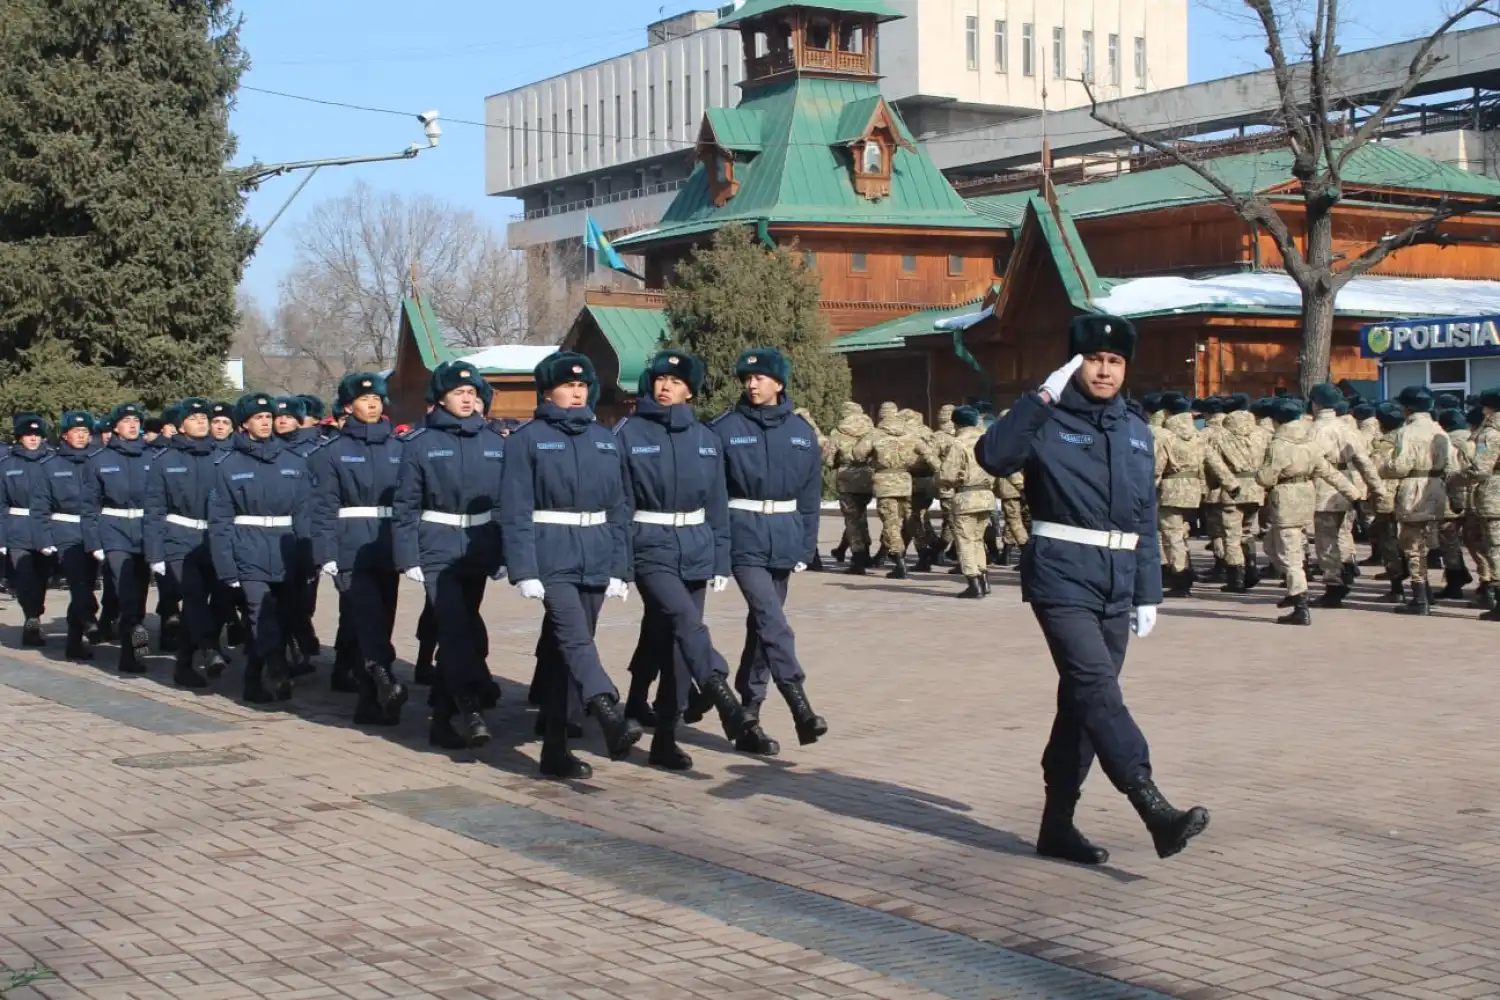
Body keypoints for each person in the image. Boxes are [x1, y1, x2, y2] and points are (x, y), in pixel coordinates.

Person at [975, 314, 1208, 864]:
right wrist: (1039, 399)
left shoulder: (1134, 428)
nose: (1104, 371)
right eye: (1093, 360)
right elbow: (994, 457)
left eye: (1114, 362)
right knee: (1099, 690)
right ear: (1074, 363)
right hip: (1061, 574)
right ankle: (1152, 804)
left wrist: (1149, 588)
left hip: (1119, 579)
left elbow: (1145, 514)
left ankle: (1057, 825)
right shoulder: (1046, 420)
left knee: (1082, 706)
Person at [502, 353, 640, 778]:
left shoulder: (604, 439)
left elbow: (619, 506)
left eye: (582, 385)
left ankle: (556, 746)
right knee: (576, 639)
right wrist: (523, 569)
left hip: (596, 551)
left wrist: (621, 567)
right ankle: (606, 708)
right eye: (568, 385)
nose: (577, 390)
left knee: (569, 652)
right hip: (552, 553)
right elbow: (515, 508)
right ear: (547, 392)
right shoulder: (528, 439)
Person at [614, 350, 752, 771]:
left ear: (690, 390)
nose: (664, 386)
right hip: (649, 544)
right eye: (659, 380)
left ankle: (667, 739)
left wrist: (721, 560)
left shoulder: (707, 439)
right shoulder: (628, 433)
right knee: (686, 622)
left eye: (674, 382)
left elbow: (717, 504)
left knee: (676, 647)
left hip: (695, 544)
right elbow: (618, 503)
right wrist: (620, 565)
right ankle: (718, 688)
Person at [710, 347, 826, 754]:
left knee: (762, 629)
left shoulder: (801, 432)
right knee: (773, 620)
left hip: (784, 536)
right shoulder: (724, 429)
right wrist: (718, 548)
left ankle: (749, 715)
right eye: (747, 378)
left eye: (760, 378)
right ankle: (799, 704)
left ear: (779, 383)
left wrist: (807, 544)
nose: (751, 383)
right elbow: (715, 494)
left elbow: (811, 495)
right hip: (744, 537)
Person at [394, 363, 507, 750]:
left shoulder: (495, 443)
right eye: (459, 393)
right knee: (456, 627)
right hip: (437, 546)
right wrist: (408, 555)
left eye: (472, 393)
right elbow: (406, 505)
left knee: (463, 628)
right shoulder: (421, 444)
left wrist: (504, 550)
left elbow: (505, 503)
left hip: (477, 546)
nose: (466, 398)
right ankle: (469, 704)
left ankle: (441, 720)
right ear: (441, 398)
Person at [311, 373, 408, 726]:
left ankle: (370, 700)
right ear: (348, 406)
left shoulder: (401, 448)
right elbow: (322, 507)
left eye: (377, 399)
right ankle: (384, 676)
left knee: (382, 621)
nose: (372, 404)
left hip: (388, 544)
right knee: (365, 617)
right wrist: (326, 553)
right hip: (351, 546)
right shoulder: (331, 453)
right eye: (364, 400)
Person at [207, 393, 312, 703]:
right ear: (244, 424)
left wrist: (308, 557)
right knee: (259, 613)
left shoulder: (294, 462)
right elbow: (220, 520)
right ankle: (277, 667)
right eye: (258, 417)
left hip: (285, 548)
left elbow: (304, 513)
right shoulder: (228, 465)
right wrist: (226, 566)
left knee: (281, 616)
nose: (266, 422)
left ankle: (252, 679)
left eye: (268, 417)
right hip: (248, 548)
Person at [144, 398, 228, 688]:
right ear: (180, 426)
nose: (202, 422)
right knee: (192, 597)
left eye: (204, 417)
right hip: (178, 538)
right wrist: (155, 552)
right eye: (194, 418)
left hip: (215, 538)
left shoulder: (223, 456)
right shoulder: (164, 461)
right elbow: (154, 510)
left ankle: (183, 664)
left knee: (220, 601)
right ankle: (209, 647)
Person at [1256, 398, 1360, 625]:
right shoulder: (1309, 443)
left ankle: (1300, 603)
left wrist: (1259, 473)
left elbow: (1266, 478)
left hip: (1285, 498)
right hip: (1305, 495)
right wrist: (1354, 494)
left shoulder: (1278, 445)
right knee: (1273, 545)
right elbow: (1329, 472)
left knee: (1289, 552)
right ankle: (1295, 589)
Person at [82, 402, 154, 674]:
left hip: (145, 528)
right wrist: (93, 542)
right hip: (114, 530)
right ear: (115, 427)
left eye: (136, 420)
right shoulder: (99, 460)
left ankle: (136, 632)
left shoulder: (152, 458)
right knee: (125, 589)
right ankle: (130, 649)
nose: (133, 425)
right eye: (127, 421)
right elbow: (89, 506)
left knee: (140, 588)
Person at [1383, 386, 1456, 615]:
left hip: (1414, 486)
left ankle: (1419, 597)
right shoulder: (1439, 430)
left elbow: (1401, 465)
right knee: (1427, 540)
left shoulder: (1408, 431)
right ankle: (1426, 591)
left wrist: (1384, 468)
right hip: (1436, 487)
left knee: (1413, 544)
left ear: (1407, 408)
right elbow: (1453, 465)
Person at [36, 411, 99, 660]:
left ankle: (74, 641)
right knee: (77, 581)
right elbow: (40, 505)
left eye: (86, 432)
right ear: (65, 435)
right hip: (65, 528)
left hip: (94, 527)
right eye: (76, 431)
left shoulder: (97, 460)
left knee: (87, 581)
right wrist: (43, 537)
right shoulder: (50, 465)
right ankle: (90, 616)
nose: (82, 435)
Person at [1, 413, 53, 646]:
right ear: (20, 438)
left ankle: (35, 612)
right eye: (28, 435)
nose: (33, 439)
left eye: (37, 435)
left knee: (42, 576)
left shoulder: (52, 461)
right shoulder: (7, 465)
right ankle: (30, 617)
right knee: (24, 577)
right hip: (18, 527)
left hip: (45, 527)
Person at [936, 406, 996, 598]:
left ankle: (973, 583)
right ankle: (984, 580)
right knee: (978, 540)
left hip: (966, 497)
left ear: (956, 422)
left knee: (965, 541)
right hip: (986, 496)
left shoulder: (958, 443)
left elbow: (947, 474)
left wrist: (939, 481)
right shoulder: (988, 440)